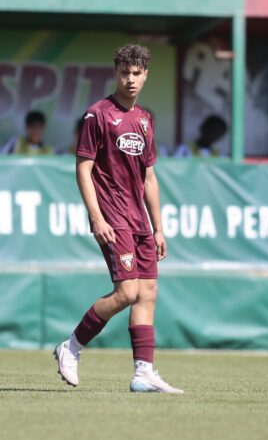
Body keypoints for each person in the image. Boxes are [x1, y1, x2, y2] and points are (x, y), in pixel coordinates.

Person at [53, 44, 182, 394]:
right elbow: (83, 168)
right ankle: (72, 346)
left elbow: (149, 178)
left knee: (148, 292)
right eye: (124, 73)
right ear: (115, 74)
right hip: (112, 216)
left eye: (137, 73)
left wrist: (158, 228)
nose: (130, 79)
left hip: (139, 221)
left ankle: (143, 373)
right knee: (126, 293)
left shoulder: (145, 119)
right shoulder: (97, 115)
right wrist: (96, 216)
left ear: (145, 75)